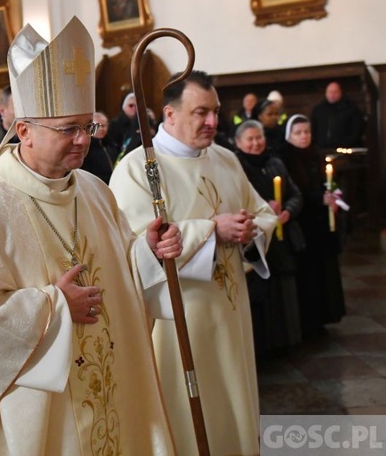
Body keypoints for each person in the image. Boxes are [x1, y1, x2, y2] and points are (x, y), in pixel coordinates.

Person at [0, 16, 179, 455]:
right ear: (24, 132)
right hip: (38, 409)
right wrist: (53, 307)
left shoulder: (94, 191)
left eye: (86, 127)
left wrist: (146, 252)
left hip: (113, 385)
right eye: (66, 129)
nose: (80, 141)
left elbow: (122, 269)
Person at [110, 70, 277, 456]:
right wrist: (210, 231)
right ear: (169, 114)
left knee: (234, 407)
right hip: (177, 323)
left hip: (231, 316)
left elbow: (262, 213)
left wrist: (250, 231)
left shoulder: (225, 159)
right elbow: (133, 246)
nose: (214, 122)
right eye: (201, 112)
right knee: (187, 420)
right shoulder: (137, 169)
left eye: (215, 111)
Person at [234, 120, 303, 356]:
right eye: (250, 139)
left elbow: (295, 194)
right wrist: (264, 210)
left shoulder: (275, 162)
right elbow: (239, 203)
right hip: (257, 237)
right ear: (239, 142)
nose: (256, 143)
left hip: (282, 237)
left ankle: (287, 340)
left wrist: (287, 211)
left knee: (284, 288)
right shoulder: (236, 166)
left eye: (259, 137)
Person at [280, 114, 346, 337]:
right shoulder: (285, 158)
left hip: (321, 226)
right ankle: (309, 322)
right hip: (303, 224)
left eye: (306, 132)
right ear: (289, 135)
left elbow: (328, 182)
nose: (303, 136)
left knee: (324, 272)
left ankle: (325, 317)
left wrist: (333, 194)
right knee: (308, 275)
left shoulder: (316, 154)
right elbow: (294, 192)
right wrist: (320, 199)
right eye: (298, 133)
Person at [310, 81, 365, 149]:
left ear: (340, 93)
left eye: (335, 92)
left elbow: (357, 130)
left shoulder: (351, 109)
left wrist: (346, 144)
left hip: (345, 149)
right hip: (322, 149)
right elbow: (313, 129)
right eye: (330, 92)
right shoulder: (318, 110)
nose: (332, 95)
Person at [81, 111, 118, 183]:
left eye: (104, 126)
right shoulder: (85, 148)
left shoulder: (112, 145)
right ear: (89, 127)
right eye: (97, 126)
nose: (101, 129)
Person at [109, 92, 142, 163]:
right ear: (124, 107)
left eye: (137, 106)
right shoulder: (115, 124)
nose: (134, 108)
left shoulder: (142, 122)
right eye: (131, 105)